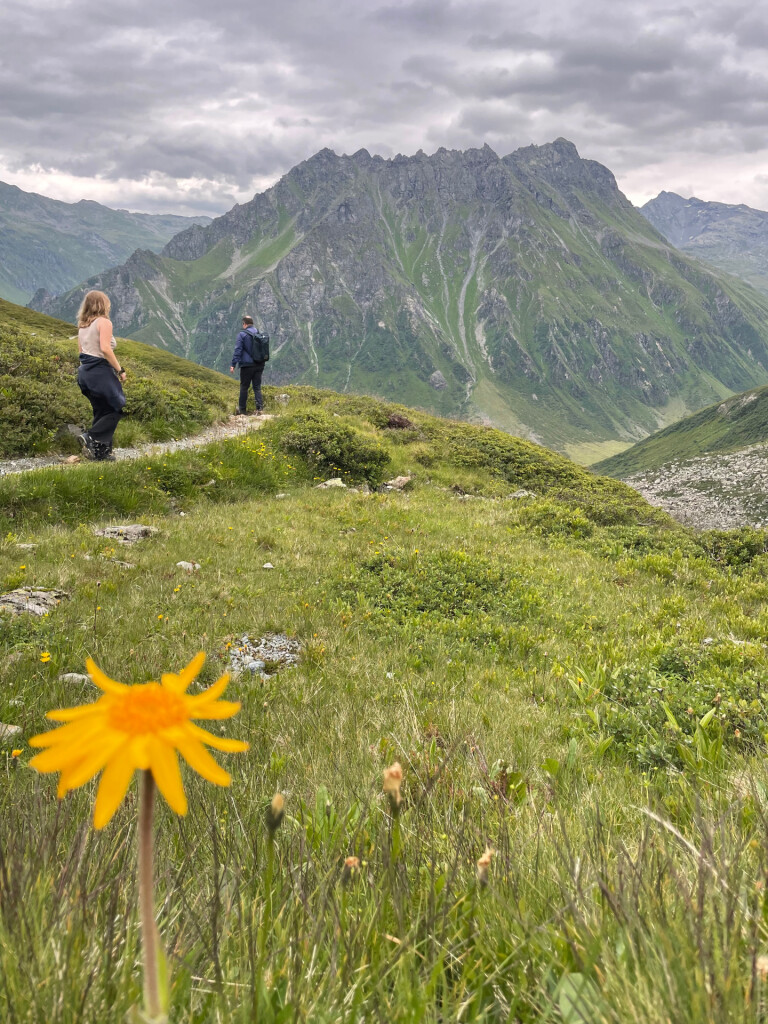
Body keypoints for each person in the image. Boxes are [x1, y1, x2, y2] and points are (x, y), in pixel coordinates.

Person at [75, 290, 126, 461]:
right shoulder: (104, 322)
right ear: (102, 304)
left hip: (85, 372)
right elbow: (105, 349)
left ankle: (101, 453)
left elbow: (81, 351)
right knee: (116, 407)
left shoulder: (82, 325)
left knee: (101, 410)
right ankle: (91, 436)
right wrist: (120, 370)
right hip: (100, 370)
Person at [230, 315, 267, 415]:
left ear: (244, 324)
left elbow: (238, 350)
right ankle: (259, 409)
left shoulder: (242, 335)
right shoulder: (258, 333)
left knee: (244, 387)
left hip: (247, 365)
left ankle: (242, 410)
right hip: (259, 364)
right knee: (257, 387)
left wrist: (233, 364)